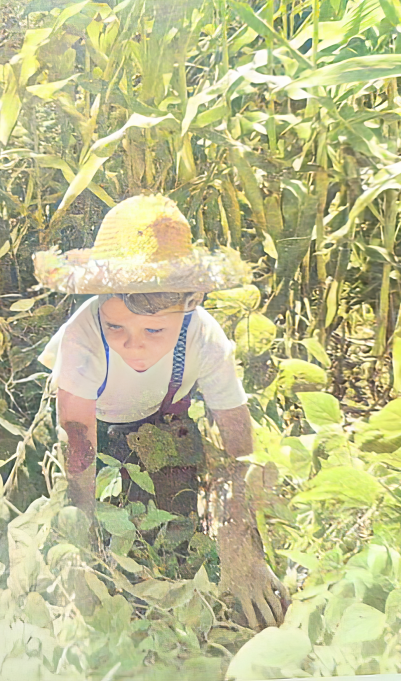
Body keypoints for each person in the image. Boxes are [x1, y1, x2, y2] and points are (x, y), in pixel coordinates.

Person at [34, 193, 290, 629]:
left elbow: (233, 428)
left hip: (157, 425)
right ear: (99, 309)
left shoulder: (203, 336)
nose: (135, 344)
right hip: (90, 429)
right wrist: (85, 535)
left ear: (188, 307)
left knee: (179, 522)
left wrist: (239, 538)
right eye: (117, 327)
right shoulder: (82, 338)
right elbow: (77, 442)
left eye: (155, 330)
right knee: (95, 533)